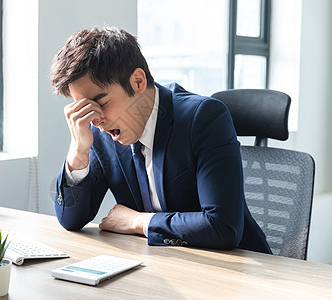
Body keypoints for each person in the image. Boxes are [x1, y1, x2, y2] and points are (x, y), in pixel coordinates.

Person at [50, 27, 271, 253]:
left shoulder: (203, 118)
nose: (96, 119)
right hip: (163, 265)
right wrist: (78, 151)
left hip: (240, 269)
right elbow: (71, 220)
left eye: (101, 102)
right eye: (84, 108)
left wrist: (140, 222)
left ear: (138, 82)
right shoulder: (99, 131)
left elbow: (223, 227)